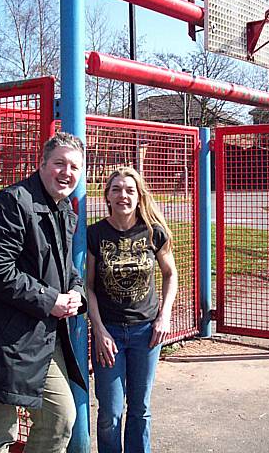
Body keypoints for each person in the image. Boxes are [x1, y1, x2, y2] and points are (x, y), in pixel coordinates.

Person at [0, 132, 87, 453]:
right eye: (59, 163)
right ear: (41, 164)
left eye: (75, 167)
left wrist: (75, 291)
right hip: (4, 339)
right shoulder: (13, 203)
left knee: (61, 417)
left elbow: (66, 268)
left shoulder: (63, 209)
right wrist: (51, 301)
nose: (67, 172)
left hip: (40, 335)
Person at [87, 166, 178, 453]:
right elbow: (87, 286)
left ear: (139, 196)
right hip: (109, 334)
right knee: (110, 411)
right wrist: (98, 330)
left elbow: (170, 274)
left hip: (146, 333)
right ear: (107, 197)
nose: (123, 195)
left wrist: (164, 315)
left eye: (129, 190)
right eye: (116, 189)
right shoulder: (94, 234)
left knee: (140, 408)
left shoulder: (154, 233)